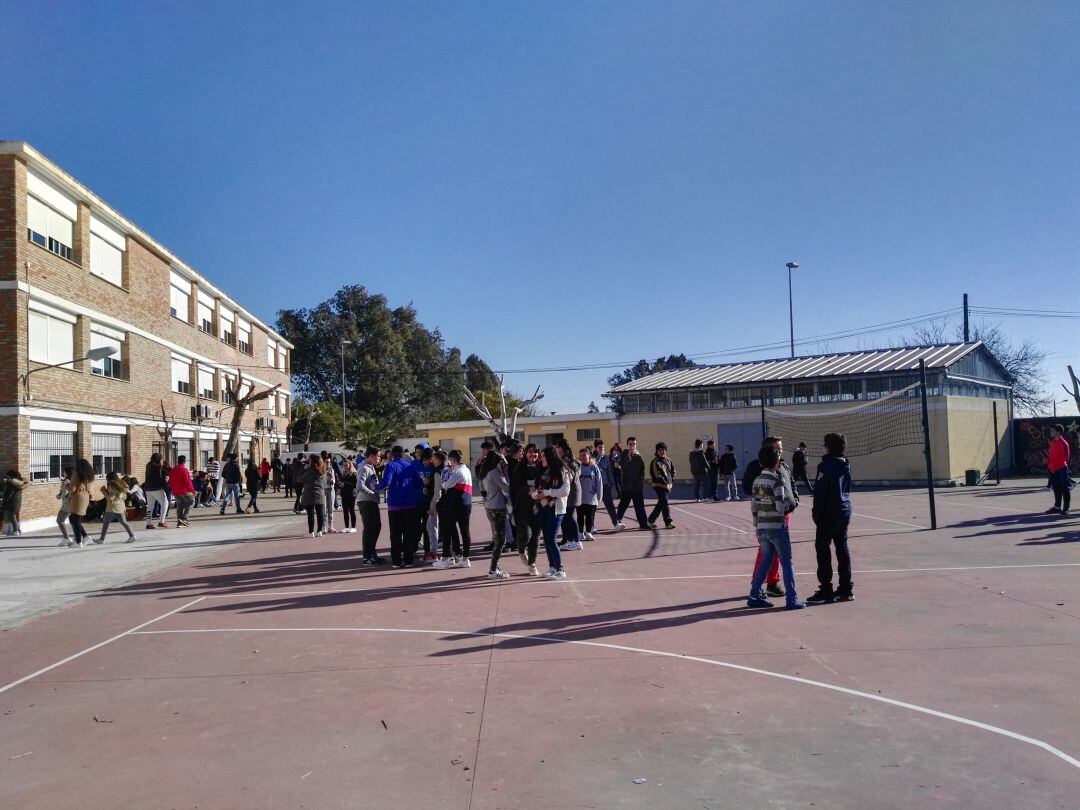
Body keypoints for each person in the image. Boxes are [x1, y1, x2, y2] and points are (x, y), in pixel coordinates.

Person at [747, 445, 805, 610]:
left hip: (763, 527)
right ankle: (792, 600)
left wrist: (757, 526)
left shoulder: (757, 481)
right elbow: (780, 507)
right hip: (777, 527)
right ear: (777, 462)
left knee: (765, 561)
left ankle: (754, 595)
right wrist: (789, 502)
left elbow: (754, 507)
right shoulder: (777, 482)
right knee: (787, 562)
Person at [808, 433, 854, 604]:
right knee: (842, 549)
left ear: (828, 448)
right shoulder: (845, 464)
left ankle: (826, 590)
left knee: (822, 549)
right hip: (844, 511)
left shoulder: (826, 466)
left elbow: (820, 492)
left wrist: (816, 513)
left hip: (829, 513)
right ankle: (846, 588)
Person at [377, 446, 426, 568]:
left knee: (395, 533)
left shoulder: (390, 466)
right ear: (403, 455)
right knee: (409, 533)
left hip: (395, 505)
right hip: (410, 504)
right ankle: (408, 559)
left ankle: (396, 560)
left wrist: (376, 487)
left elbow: (386, 482)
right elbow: (418, 483)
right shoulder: (409, 466)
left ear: (392, 455)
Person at [531, 446, 569, 580]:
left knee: (551, 539)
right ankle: (552, 567)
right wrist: (535, 494)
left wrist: (547, 493)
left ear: (550, 457)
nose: (541, 458)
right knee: (546, 540)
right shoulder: (542, 471)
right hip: (542, 508)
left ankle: (560, 569)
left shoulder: (561, 471)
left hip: (556, 510)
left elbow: (565, 491)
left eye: (543, 456)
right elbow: (538, 489)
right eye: (541, 456)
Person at [433, 449, 473, 569]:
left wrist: (446, 473)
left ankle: (445, 559)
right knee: (465, 531)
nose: (450, 464)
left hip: (456, 504)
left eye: (450, 461)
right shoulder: (466, 470)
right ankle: (465, 559)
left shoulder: (457, 472)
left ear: (454, 460)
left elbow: (445, 485)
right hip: (467, 503)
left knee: (447, 529)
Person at [479, 449, 512, 579]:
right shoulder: (494, 472)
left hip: (490, 506)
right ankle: (493, 569)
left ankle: (494, 567)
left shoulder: (486, 471)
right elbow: (506, 487)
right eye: (501, 460)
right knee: (500, 540)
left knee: (498, 538)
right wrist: (505, 471)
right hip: (498, 507)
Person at [511, 443, 542, 576]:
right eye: (530, 451)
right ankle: (521, 549)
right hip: (522, 507)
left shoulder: (542, 467)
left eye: (535, 452)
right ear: (525, 454)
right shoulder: (519, 468)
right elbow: (514, 487)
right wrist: (527, 490)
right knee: (526, 534)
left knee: (536, 534)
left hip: (539, 506)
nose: (532, 454)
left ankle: (532, 564)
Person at [356, 446, 384, 565]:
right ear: (371, 456)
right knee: (369, 529)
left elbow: (373, 483)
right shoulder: (364, 468)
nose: (379, 459)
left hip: (371, 501)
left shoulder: (371, 467)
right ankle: (367, 557)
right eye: (378, 456)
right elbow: (360, 486)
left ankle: (372, 554)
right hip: (366, 502)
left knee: (376, 527)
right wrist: (372, 493)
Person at [614, 437, 649, 531]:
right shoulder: (624, 454)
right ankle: (617, 522)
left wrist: (640, 480)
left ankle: (643, 524)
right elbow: (622, 466)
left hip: (637, 487)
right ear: (627, 445)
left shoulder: (639, 456)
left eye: (634, 444)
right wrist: (629, 457)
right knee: (623, 506)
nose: (632, 446)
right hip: (626, 486)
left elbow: (642, 471)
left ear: (636, 445)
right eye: (630, 444)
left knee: (640, 506)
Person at [96, 472, 138, 543]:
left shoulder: (111, 486)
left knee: (106, 522)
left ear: (109, 479)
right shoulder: (122, 486)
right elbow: (124, 497)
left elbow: (110, 497)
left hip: (112, 506)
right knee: (124, 522)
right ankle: (132, 536)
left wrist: (103, 491)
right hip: (121, 505)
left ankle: (101, 539)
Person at [556, 438, 583, 551]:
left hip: (571, 491)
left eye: (558, 446)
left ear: (562, 448)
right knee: (565, 517)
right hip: (570, 490)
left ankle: (576, 541)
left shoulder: (566, 460)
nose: (556, 449)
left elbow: (572, 474)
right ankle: (567, 540)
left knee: (569, 516)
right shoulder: (566, 459)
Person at [646, 442, 677, 529]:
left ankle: (651, 520)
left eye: (663, 450)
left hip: (667, 486)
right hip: (659, 486)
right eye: (660, 450)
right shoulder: (655, 461)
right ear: (657, 451)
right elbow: (656, 475)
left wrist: (672, 479)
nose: (662, 451)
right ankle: (668, 522)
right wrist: (665, 481)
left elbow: (673, 470)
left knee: (661, 503)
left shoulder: (668, 460)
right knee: (665, 503)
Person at [66, 458, 94, 547]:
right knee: (75, 519)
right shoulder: (89, 475)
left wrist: (67, 485)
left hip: (78, 497)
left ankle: (78, 541)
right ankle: (84, 537)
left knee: (74, 519)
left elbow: (72, 489)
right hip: (85, 496)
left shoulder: (76, 474)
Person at [576, 447, 602, 541]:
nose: (583, 457)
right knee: (580, 516)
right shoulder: (577, 467)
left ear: (589, 456)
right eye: (581, 455)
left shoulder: (594, 468)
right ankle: (580, 533)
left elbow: (599, 482)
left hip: (591, 498)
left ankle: (588, 533)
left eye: (585, 455)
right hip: (580, 498)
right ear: (579, 457)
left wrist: (599, 496)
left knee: (589, 517)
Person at [1046, 424, 1072, 516]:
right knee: (1056, 488)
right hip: (1053, 469)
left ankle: (1066, 508)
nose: (1051, 432)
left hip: (1061, 469)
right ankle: (1057, 507)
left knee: (1064, 489)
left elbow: (1065, 457)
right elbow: (1050, 454)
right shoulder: (1053, 442)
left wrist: (1054, 465)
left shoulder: (1064, 443)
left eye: (1052, 431)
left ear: (1058, 432)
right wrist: (1049, 464)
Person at [299, 455, 327, 536]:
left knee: (310, 514)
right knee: (320, 513)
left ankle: (311, 532)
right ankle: (319, 531)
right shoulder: (323, 470)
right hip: (320, 493)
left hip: (309, 493)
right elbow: (325, 482)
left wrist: (304, 468)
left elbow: (300, 479)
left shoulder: (310, 471)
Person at [595, 439, 619, 527]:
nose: (602, 449)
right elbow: (593, 466)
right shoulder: (592, 457)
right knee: (592, 507)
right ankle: (591, 527)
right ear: (596, 448)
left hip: (605, 484)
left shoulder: (606, 458)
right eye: (600, 447)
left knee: (610, 505)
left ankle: (616, 523)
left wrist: (612, 483)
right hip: (595, 486)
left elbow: (609, 472)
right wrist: (598, 457)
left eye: (603, 447)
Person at [168, 455, 196, 527]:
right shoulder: (184, 470)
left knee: (180, 505)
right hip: (184, 490)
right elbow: (188, 482)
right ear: (184, 461)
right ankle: (184, 518)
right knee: (191, 501)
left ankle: (179, 522)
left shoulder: (173, 470)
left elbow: (170, 481)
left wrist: (173, 488)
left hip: (176, 491)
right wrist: (193, 491)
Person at [144, 452, 170, 529]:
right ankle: (162, 521)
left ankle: (148, 523)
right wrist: (166, 480)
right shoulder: (158, 467)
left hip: (148, 488)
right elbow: (159, 478)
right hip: (157, 488)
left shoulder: (148, 465)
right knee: (165, 503)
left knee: (150, 506)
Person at [1, 470, 28, 536]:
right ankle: (18, 530)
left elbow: (9, 493)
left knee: (12, 517)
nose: (7, 477)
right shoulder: (18, 483)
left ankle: (16, 531)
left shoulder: (12, 483)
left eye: (7, 475)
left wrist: (4, 499)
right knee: (14, 517)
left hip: (11, 502)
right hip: (17, 501)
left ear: (10, 476)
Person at [54, 468, 73, 547]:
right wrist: (59, 495)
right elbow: (64, 492)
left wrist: (63, 498)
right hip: (68, 504)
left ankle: (67, 538)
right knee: (72, 521)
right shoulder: (68, 481)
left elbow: (66, 493)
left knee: (60, 520)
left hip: (67, 504)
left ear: (67, 473)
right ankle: (68, 537)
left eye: (64, 472)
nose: (63, 473)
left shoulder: (66, 482)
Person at [321, 452, 339, 533]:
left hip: (331, 490)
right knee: (324, 509)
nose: (328, 463)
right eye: (327, 462)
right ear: (323, 462)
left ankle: (330, 526)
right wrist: (326, 479)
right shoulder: (321, 470)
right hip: (324, 490)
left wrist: (333, 481)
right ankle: (324, 527)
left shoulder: (332, 469)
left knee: (331, 509)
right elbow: (320, 481)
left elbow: (334, 479)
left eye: (329, 462)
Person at [339, 459, 358, 533]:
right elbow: (341, 483)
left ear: (350, 465)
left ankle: (353, 527)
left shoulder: (354, 473)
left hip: (351, 494)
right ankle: (346, 527)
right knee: (345, 511)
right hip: (344, 494)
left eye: (346, 465)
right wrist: (339, 485)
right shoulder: (343, 473)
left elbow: (356, 485)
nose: (345, 467)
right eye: (344, 465)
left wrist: (346, 483)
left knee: (351, 510)